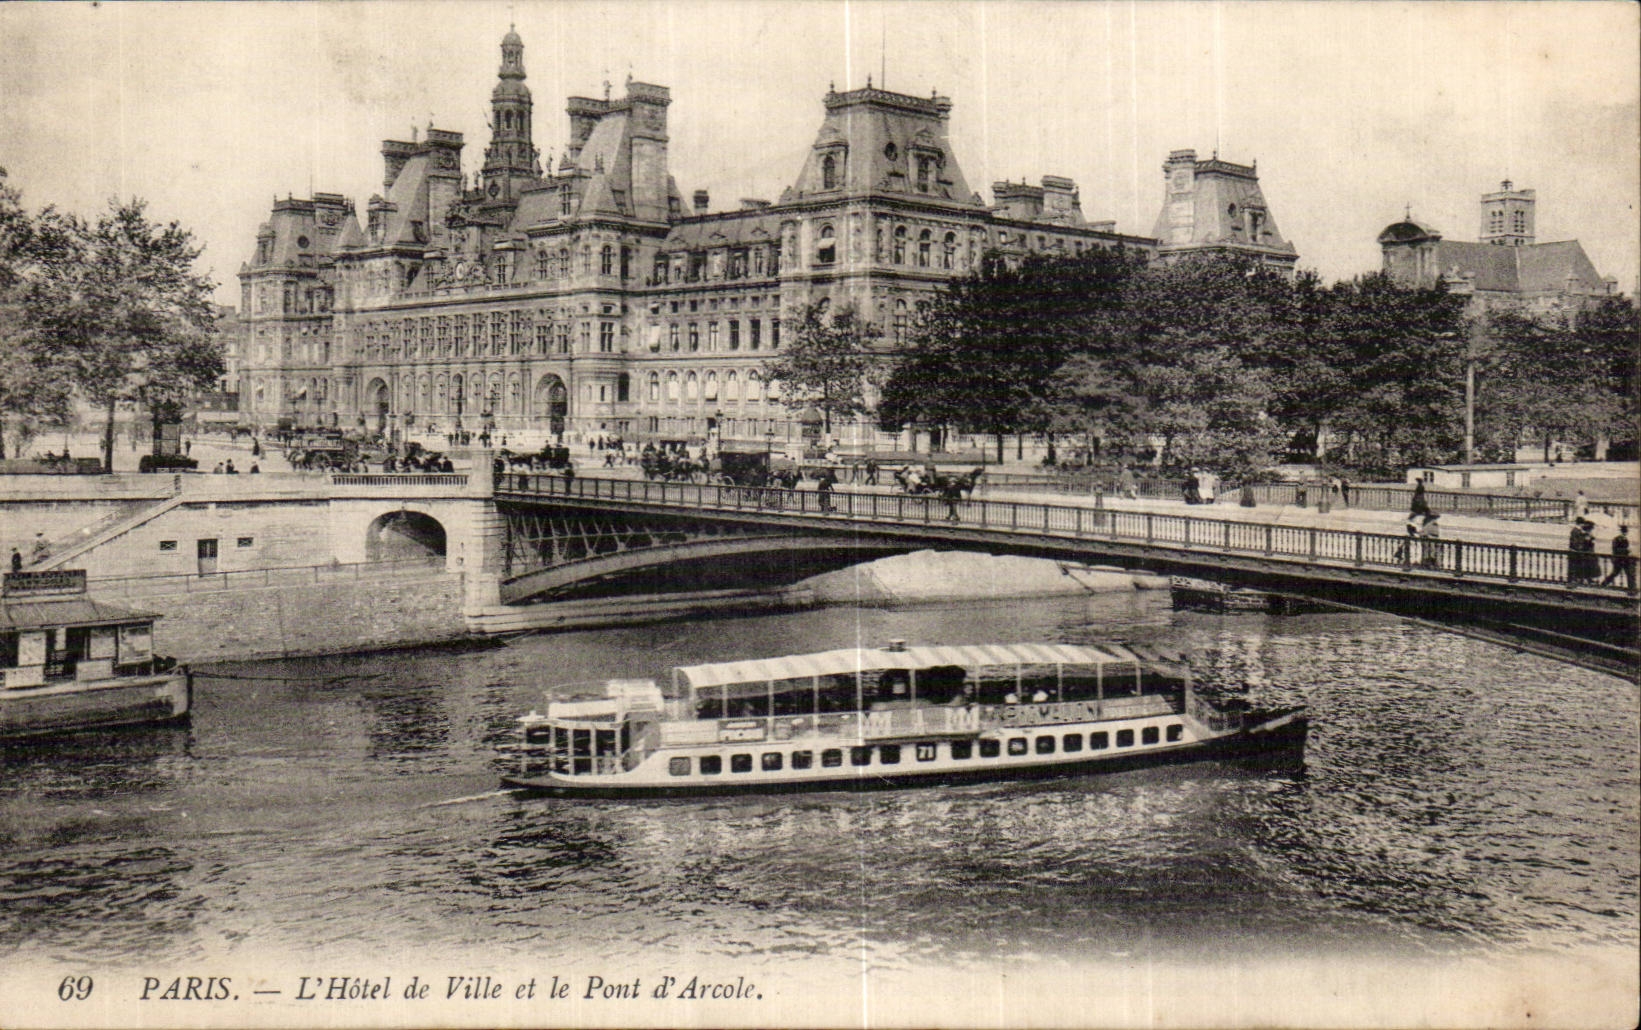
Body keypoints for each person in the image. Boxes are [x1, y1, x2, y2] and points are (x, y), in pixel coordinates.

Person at [1601, 525, 1634, 591]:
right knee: (1615, 573)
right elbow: (1615, 550)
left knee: (1628, 573)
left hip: (1624, 559)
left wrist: (1628, 552)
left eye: (1625, 532)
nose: (1624, 533)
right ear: (1621, 532)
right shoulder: (1616, 539)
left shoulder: (1625, 539)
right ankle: (1604, 583)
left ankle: (1631, 588)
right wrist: (1626, 550)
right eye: (1623, 532)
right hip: (1618, 559)